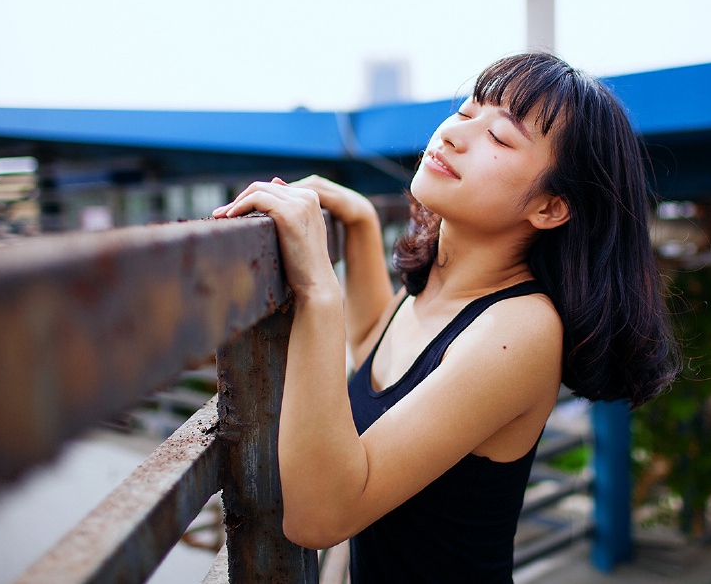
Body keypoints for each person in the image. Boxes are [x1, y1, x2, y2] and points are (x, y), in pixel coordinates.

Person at [212, 52, 676, 583]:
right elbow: (375, 359)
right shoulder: (435, 290)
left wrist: (318, 285)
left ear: (549, 207)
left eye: (500, 137)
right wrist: (360, 223)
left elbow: (322, 516)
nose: (455, 135)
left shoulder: (520, 330)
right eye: (465, 110)